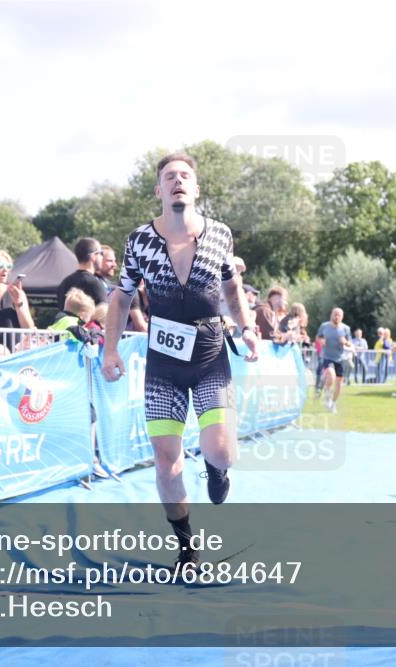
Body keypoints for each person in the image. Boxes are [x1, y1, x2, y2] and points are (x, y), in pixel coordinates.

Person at [100, 152, 258, 570]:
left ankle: (217, 470)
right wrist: (110, 349)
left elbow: (233, 287)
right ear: (158, 190)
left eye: (185, 176)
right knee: (167, 464)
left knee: (222, 452)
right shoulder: (140, 241)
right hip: (164, 366)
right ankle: (187, 548)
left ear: (196, 188)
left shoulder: (219, 234)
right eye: (169, 176)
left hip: (209, 355)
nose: (177, 181)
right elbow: (121, 297)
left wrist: (247, 328)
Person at [57, 237, 109, 322]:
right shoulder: (95, 284)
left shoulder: (64, 282)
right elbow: (104, 314)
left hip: (66, 332)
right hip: (87, 333)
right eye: (101, 253)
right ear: (93, 256)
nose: (102, 257)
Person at [100, 243, 146, 332]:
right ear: (98, 259)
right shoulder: (91, 282)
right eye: (110, 260)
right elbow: (141, 327)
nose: (114, 265)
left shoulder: (111, 285)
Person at [316, 308, 352, 413]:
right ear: (331, 315)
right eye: (335, 314)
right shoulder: (324, 326)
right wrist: (321, 341)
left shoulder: (346, 328)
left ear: (342, 317)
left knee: (339, 384)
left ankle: (333, 403)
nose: (336, 317)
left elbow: (350, 343)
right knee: (331, 374)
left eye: (339, 315)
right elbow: (319, 337)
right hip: (327, 356)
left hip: (340, 358)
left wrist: (345, 342)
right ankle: (327, 395)